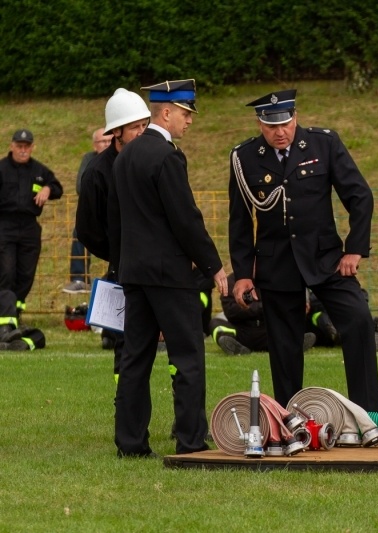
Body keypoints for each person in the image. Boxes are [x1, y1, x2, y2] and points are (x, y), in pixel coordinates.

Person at [228, 88, 378, 412]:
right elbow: (239, 220)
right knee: (284, 346)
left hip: (326, 258)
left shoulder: (323, 144)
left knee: (358, 319)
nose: (280, 132)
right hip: (276, 264)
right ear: (259, 124)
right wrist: (243, 274)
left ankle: (369, 414)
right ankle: (290, 419)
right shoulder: (244, 157)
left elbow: (360, 196)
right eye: (271, 126)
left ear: (295, 117)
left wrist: (354, 249)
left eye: (285, 123)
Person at [108, 79, 228, 458]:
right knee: (187, 356)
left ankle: (130, 443)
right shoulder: (167, 156)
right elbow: (185, 218)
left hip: (134, 273)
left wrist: (124, 265)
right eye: (186, 113)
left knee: (135, 358)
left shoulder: (125, 156)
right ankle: (190, 441)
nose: (189, 121)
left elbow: (117, 220)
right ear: (166, 112)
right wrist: (213, 265)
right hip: (169, 275)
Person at [76, 88, 151, 376]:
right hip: (124, 270)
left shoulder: (154, 161)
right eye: (134, 127)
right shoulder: (97, 173)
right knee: (126, 343)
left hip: (158, 267)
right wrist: (119, 254)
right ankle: (125, 400)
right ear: (116, 131)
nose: (142, 132)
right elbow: (87, 229)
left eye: (144, 125)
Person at [0, 129, 64, 317]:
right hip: (5, 225)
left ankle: (16, 312)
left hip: (29, 226)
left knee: (26, 273)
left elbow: (58, 188)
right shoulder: (2, 168)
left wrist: (47, 188)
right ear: (12, 146)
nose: (23, 150)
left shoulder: (39, 170)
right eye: (19, 146)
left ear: (32, 147)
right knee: (6, 271)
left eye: (26, 147)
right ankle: (5, 315)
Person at [210, 273, 316, 355]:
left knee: (295, 321)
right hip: (242, 331)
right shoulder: (232, 281)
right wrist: (262, 307)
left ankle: (293, 343)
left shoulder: (274, 279)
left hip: (269, 330)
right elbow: (231, 311)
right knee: (215, 323)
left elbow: (283, 305)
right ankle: (235, 347)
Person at [63, 128, 112, 294]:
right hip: (95, 209)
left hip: (116, 211)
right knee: (80, 232)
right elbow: (80, 186)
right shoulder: (89, 159)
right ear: (94, 145)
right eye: (102, 141)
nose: (106, 144)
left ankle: (114, 278)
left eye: (109, 141)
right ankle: (79, 278)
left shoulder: (120, 157)